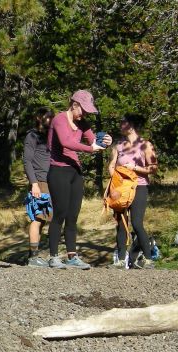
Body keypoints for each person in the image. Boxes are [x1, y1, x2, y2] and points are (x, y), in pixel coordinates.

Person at [46, 90, 112, 270]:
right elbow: (66, 142)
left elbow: (93, 141)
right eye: (83, 110)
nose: (84, 114)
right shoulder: (59, 119)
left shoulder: (83, 123)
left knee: (73, 215)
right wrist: (91, 149)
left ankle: (72, 256)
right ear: (74, 104)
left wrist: (106, 141)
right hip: (58, 170)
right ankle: (53, 256)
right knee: (60, 213)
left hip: (75, 171)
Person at [108, 114, 158, 269]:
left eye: (123, 122)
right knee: (121, 223)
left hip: (139, 187)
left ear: (131, 125)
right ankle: (121, 259)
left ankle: (148, 258)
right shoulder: (119, 146)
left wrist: (135, 168)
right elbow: (111, 165)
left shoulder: (145, 145)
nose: (120, 125)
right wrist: (115, 180)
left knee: (136, 223)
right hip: (121, 189)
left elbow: (153, 168)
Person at [24, 108, 55, 267]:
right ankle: (33, 257)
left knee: (46, 220)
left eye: (52, 117)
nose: (50, 119)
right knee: (38, 218)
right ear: (39, 117)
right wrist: (34, 183)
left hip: (52, 180)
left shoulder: (50, 136)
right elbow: (27, 161)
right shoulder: (32, 136)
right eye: (47, 117)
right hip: (40, 182)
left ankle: (37, 256)